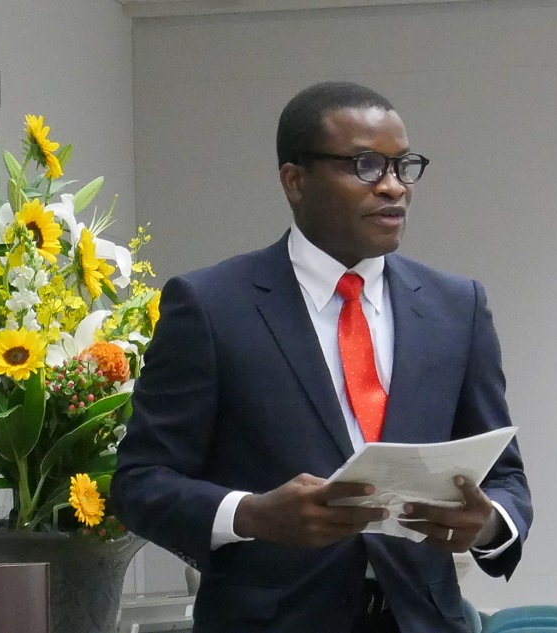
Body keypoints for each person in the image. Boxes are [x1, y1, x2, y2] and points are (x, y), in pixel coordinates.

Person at [111, 81, 532, 633]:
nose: (393, 188)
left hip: (424, 620)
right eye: (365, 165)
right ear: (295, 180)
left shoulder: (459, 307)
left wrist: (487, 525)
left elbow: (506, 479)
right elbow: (140, 482)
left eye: (403, 166)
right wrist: (252, 515)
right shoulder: (212, 306)